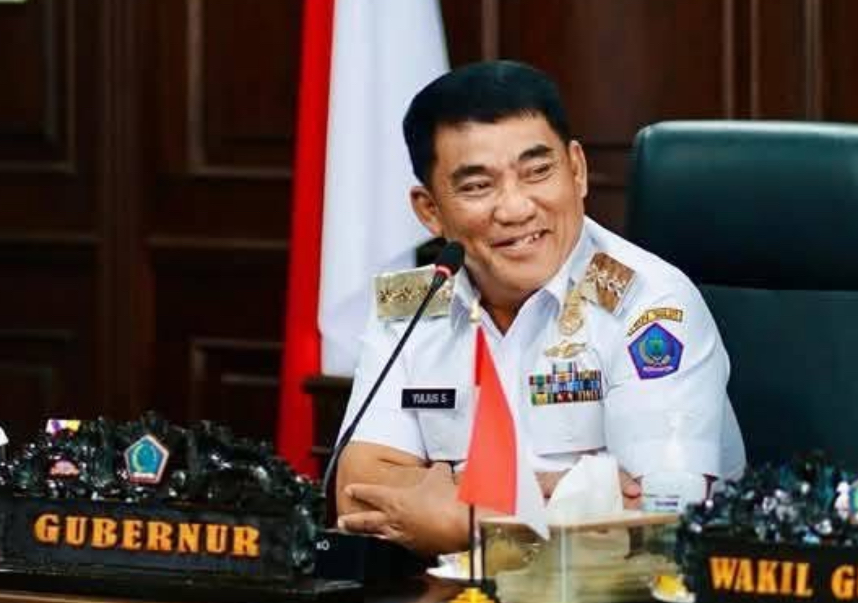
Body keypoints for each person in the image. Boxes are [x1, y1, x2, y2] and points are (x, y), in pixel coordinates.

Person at [334, 60, 745, 555]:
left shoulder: (650, 304)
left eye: (537, 172)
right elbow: (357, 491)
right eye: (477, 186)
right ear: (430, 211)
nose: (515, 208)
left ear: (577, 170)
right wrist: (568, 494)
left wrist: (465, 519)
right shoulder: (412, 307)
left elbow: (657, 514)